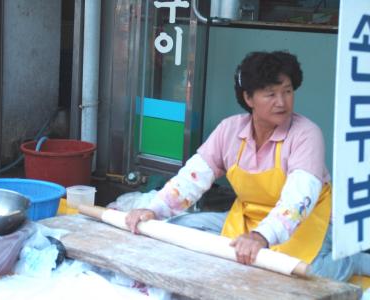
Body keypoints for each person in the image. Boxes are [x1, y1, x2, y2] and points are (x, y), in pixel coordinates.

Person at [125, 51, 370, 282]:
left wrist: (262, 237)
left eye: (287, 91)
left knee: (305, 275)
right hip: (250, 218)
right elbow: (191, 178)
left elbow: (298, 200)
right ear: (248, 98)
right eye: (270, 94)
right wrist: (154, 210)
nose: (282, 102)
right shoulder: (229, 130)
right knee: (177, 230)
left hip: (306, 222)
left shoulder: (307, 134)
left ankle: (351, 260)